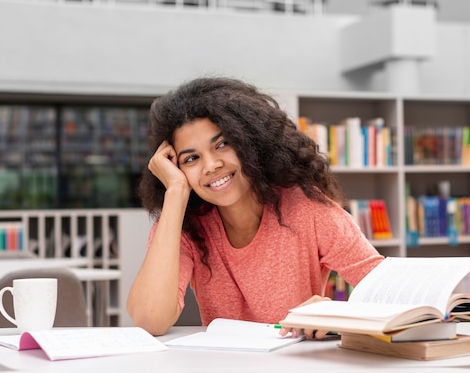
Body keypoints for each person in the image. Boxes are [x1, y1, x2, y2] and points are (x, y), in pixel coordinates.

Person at [127, 76, 384, 338]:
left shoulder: (307, 209)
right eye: (191, 158)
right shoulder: (184, 225)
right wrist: (175, 193)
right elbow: (149, 320)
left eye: (223, 144)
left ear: (250, 142)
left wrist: (338, 313)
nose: (211, 165)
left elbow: (392, 295)